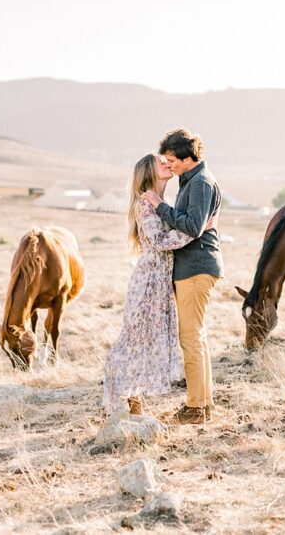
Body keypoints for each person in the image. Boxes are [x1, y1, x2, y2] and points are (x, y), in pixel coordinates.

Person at [102, 154, 214, 417]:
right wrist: (195, 230)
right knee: (136, 338)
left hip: (161, 281)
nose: (166, 163)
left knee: (149, 339)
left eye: (167, 160)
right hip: (148, 280)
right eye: (160, 162)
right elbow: (159, 240)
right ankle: (126, 397)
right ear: (149, 172)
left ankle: (135, 400)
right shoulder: (145, 203)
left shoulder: (161, 202)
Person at [141, 128, 223, 425]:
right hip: (194, 267)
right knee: (196, 338)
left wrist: (159, 205)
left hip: (196, 268)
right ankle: (204, 404)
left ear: (187, 157)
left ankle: (195, 408)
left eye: (172, 159)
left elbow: (192, 227)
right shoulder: (193, 181)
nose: (169, 164)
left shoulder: (200, 182)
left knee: (190, 338)